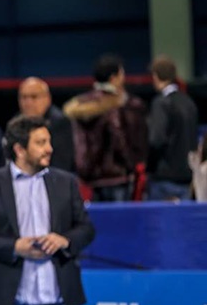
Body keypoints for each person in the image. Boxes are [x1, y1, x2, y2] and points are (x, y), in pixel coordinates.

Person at [0, 116, 95, 305]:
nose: (49, 148)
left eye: (48, 141)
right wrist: (14, 247)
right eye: (41, 142)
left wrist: (64, 240)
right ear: (19, 149)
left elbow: (86, 228)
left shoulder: (66, 182)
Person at [64, 54, 146, 201]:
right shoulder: (120, 105)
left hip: (88, 179)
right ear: (114, 78)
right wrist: (131, 165)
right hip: (116, 178)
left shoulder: (80, 105)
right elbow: (119, 139)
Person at [146, 55, 198, 201]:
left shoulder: (161, 103)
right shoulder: (189, 102)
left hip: (164, 179)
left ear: (155, 76)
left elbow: (156, 139)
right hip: (187, 177)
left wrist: (149, 167)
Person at [18, 77, 75, 172]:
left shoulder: (60, 123)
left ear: (47, 98)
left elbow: (61, 164)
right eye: (24, 97)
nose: (28, 103)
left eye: (34, 97)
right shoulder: (17, 122)